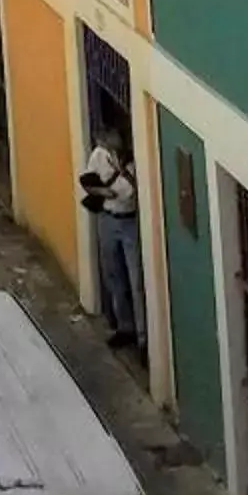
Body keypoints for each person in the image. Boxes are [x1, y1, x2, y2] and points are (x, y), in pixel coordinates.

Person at [79, 126, 146, 354]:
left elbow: (136, 190)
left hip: (129, 222)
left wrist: (121, 171)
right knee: (113, 275)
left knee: (136, 279)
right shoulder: (99, 155)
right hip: (107, 219)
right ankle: (124, 326)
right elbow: (87, 181)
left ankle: (142, 335)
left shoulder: (136, 162)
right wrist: (101, 192)